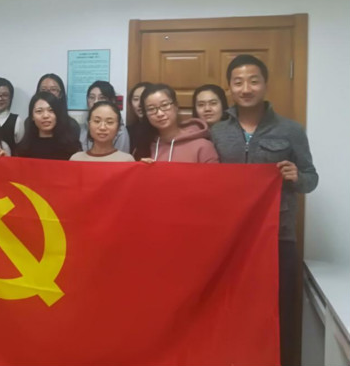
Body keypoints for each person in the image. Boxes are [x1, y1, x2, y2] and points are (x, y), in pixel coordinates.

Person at [210, 55, 318, 366]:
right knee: (230, 310)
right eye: (238, 82)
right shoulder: (217, 131)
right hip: (230, 239)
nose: (246, 88)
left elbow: (311, 178)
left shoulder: (291, 130)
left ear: (265, 85)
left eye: (253, 81)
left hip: (277, 238)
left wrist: (297, 177)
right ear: (229, 88)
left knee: (278, 311)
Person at [136, 83, 219, 163]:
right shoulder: (144, 146)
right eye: (151, 109)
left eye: (165, 105)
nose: (160, 114)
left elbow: (213, 173)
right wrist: (142, 168)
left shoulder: (203, 146)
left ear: (176, 106)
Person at [16, 92, 81, 161]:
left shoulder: (71, 147)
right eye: (39, 111)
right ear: (32, 116)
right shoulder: (23, 148)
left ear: (58, 114)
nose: (45, 116)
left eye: (51, 110)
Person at [80, 81, 130, 153]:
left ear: (112, 101)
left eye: (102, 98)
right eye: (92, 97)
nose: (95, 101)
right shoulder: (83, 127)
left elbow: (121, 158)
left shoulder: (120, 130)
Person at [36, 73, 81, 141]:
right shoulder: (30, 123)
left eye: (53, 89)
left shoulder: (72, 125)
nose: (48, 93)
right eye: (43, 90)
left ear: (60, 94)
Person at [0, 77, 24, 154]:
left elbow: (20, 148)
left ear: (10, 98)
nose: (0, 98)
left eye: (5, 95)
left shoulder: (16, 121)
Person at [126, 81, 151, 158]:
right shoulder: (128, 132)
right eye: (136, 99)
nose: (140, 104)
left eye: (144, 98)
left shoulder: (161, 130)